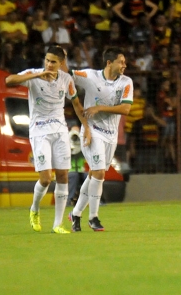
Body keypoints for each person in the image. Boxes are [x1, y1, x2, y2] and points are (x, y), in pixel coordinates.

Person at [5, 46, 89, 234]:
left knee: (63, 176)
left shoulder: (66, 80)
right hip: (39, 131)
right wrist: (35, 76)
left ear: (61, 64)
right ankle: (34, 208)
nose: (49, 64)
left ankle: (57, 224)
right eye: (47, 60)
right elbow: (9, 81)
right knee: (45, 178)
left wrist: (86, 127)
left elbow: (76, 103)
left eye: (53, 62)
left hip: (60, 131)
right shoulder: (34, 74)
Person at [65, 47, 133, 232]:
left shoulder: (126, 82)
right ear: (109, 63)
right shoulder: (90, 76)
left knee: (95, 175)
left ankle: (76, 213)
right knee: (99, 174)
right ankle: (93, 217)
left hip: (111, 136)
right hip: (92, 131)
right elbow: (67, 73)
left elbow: (126, 109)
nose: (124, 65)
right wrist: (57, 61)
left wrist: (100, 107)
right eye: (121, 61)